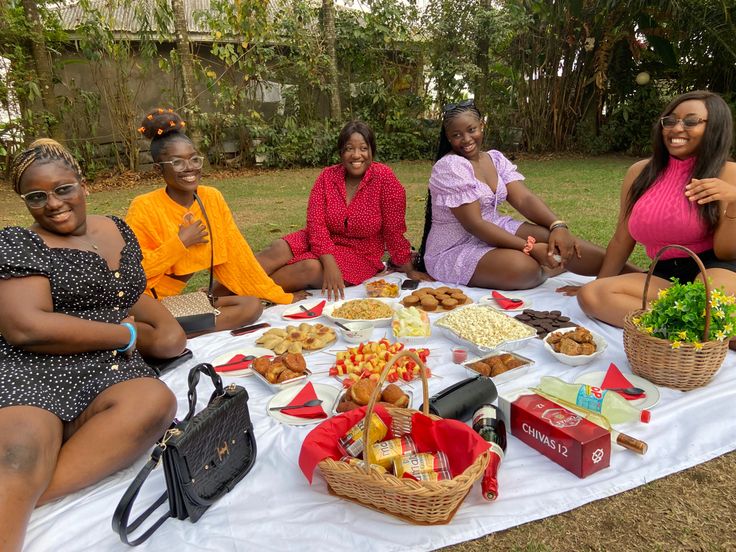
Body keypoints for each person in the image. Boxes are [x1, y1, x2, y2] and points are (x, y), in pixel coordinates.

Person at [0, 139, 186, 551]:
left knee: (154, 403)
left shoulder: (116, 228)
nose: (52, 203)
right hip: (37, 366)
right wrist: (128, 335)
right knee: (19, 454)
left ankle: (26, 495)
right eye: (37, 196)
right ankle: (17, 493)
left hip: (107, 367)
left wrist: (166, 327)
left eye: (62, 189)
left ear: (83, 185)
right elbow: (26, 329)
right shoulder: (20, 244)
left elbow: (128, 291)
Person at [576, 90, 736, 340]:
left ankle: (696, 327)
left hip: (716, 268)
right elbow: (622, 238)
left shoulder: (729, 173)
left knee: (710, 303)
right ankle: (694, 331)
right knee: (591, 295)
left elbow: (727, 252)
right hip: (666, 273)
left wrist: (734, 201)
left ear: (714, 127)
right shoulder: (640, 172)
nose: (676, 128)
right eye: (670, 121)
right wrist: (600, 282)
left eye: (691, 121)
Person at [126, 109, 300, 334]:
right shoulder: (143, 206)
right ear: (159, 169)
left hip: (177, 304)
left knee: (252, 306)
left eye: (194, 159)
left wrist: (281, 296)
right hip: (147, 302)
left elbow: (238, 255)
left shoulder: (212, 197)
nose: (190, 168)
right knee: (161, 330)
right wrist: (180, 243)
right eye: (178, 163)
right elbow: (133, 273)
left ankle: (177, 330)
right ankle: (163, 330)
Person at [417, 100, 612, 290]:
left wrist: (557, 225)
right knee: (524, 267)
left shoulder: (494, 159)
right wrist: (530, 248)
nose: (466, 139)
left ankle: (631, 273)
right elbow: (475, 225)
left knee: (556, 240)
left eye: (471, 130)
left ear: (482, 126)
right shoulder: (450, 166)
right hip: (457, 247)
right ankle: (549, 268)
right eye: (457, 135)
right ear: (449, 138)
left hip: (495, 227)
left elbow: (524, 199)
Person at [257, 120, 430, 300]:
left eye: (363, 148)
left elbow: (394, 229)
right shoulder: (327, 176)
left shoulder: (384, 179)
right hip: (320, 239)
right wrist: (329, 261)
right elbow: (315, 223)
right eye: (349, 148)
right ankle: (231, 291)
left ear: (372, 151)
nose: (356, 155)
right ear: (341, 152)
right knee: (277, 248)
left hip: (360, 253)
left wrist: (409, 269)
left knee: (308, 267)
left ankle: (249, 293)